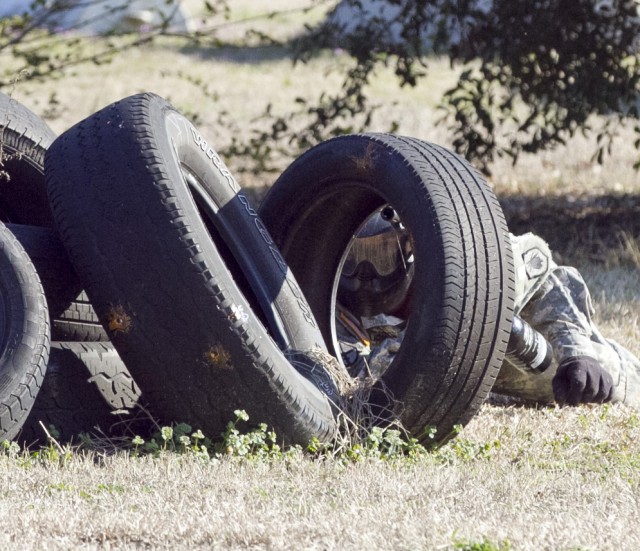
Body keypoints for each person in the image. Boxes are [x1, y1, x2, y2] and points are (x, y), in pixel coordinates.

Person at [336, 207, 640, 408]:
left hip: (553, 367)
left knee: (605, 377)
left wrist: (577, 354)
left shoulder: (469, 266)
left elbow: (552, 280)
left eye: (383, 255)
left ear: (411, 248)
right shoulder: (333, 301)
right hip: (479, 389)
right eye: (355, 257)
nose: (366, 273)